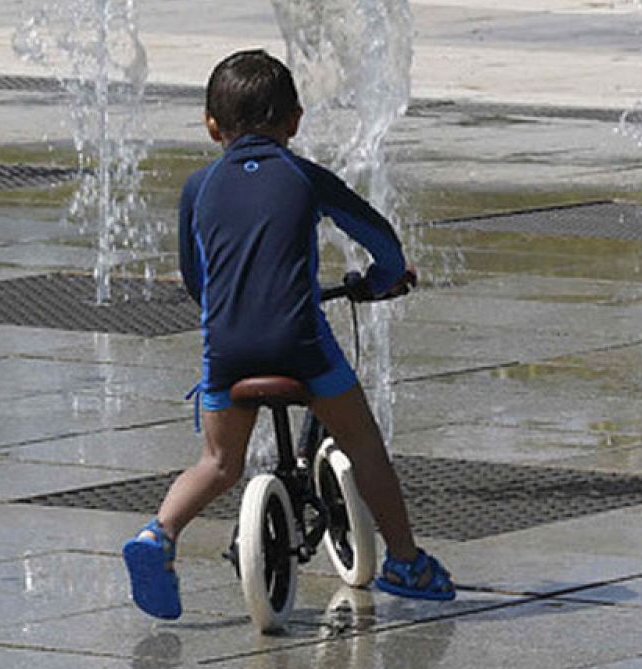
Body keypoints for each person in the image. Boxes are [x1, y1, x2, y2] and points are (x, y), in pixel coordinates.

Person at [122, 49, 455, 620]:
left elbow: (196, 279)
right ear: (295, 121)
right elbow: (383, 242)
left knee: (219, 463)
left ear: (210, 126)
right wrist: (384, 280)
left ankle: (159, 536)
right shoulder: (306, 177)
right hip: (299, 341)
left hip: (225, 349)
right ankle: (405, 561)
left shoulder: (197, 189)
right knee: (364, 444)